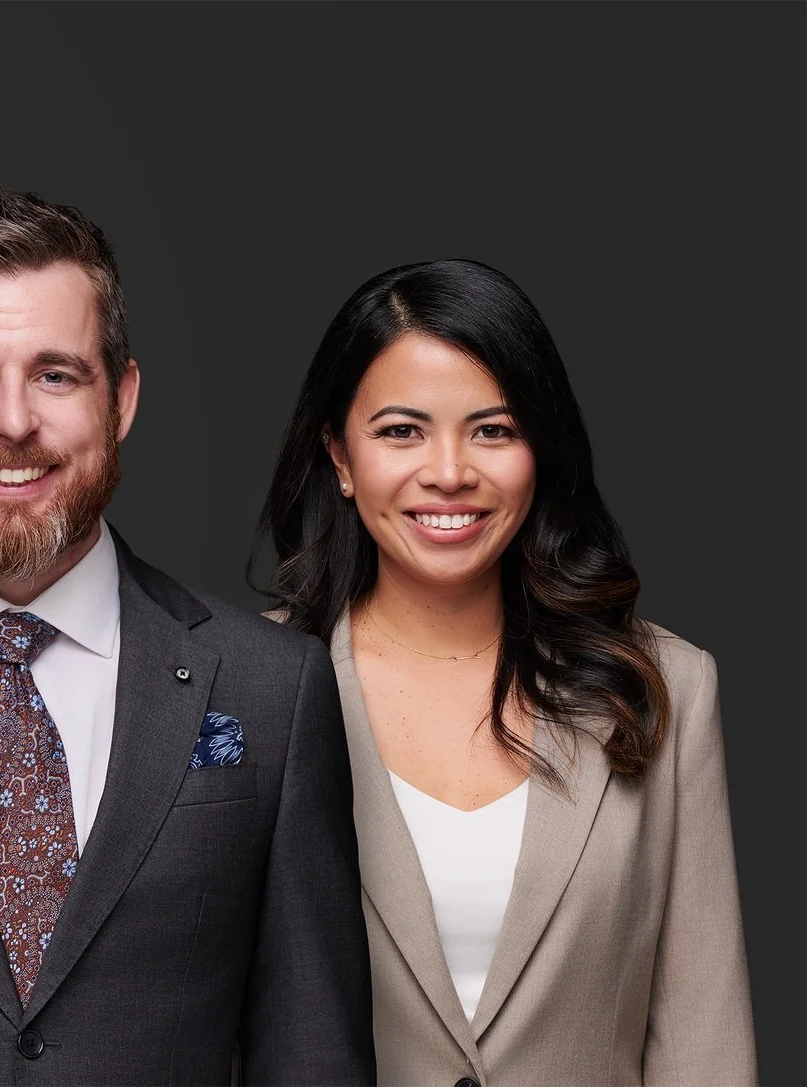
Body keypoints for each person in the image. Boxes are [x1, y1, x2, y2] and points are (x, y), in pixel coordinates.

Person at [0, 188, 372, 1085]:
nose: (13, 421)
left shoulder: (271, 688)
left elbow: (312, 1055)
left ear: (122, 399)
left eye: (55, 375)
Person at [255, 258, 755, 1085]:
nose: (450, 471)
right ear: (340, 455)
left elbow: (706, 1041)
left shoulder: (665, 686)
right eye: (401, 431)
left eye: (494, 430)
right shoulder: (250, 688)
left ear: (541, 450)